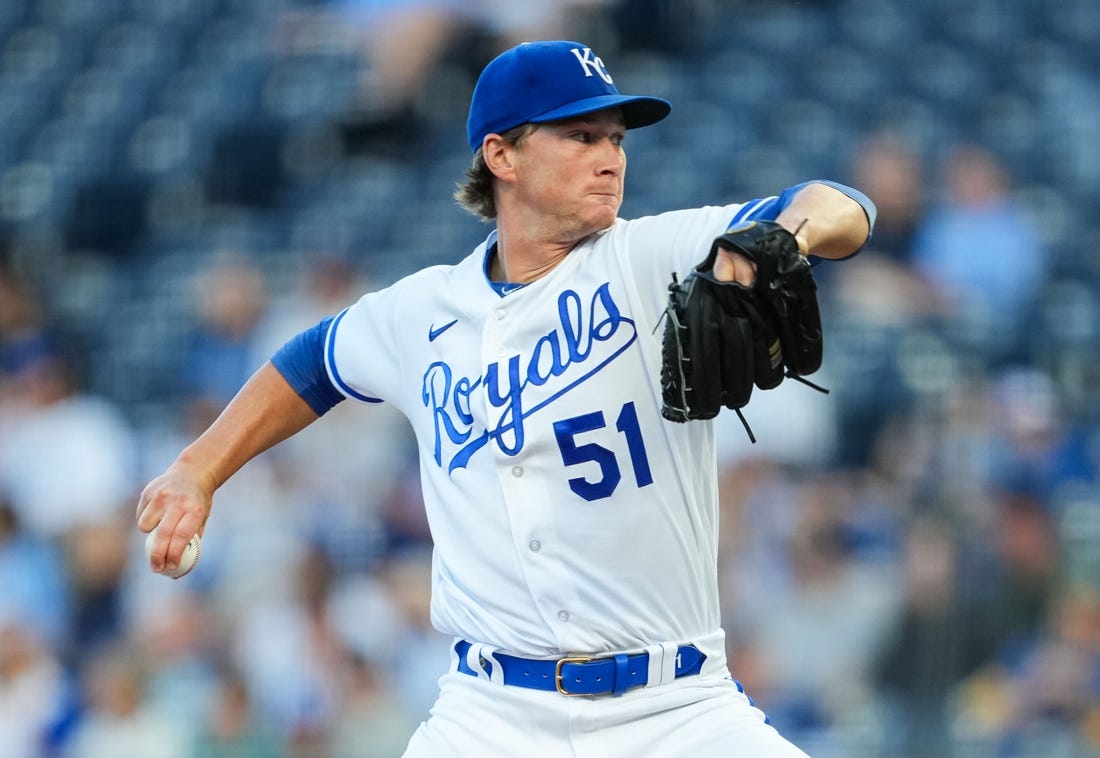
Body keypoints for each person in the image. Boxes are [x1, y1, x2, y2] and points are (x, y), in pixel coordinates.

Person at [138, 40, 875, 757]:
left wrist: (780, 234)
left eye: (616, 137)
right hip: (490, 714)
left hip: (677, 706)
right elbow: (311, 365)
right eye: (581, 134)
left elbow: (843, 206)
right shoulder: (421, 312)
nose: (611, 155)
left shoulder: (652, 256)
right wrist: (199, 471)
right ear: (502, 155)